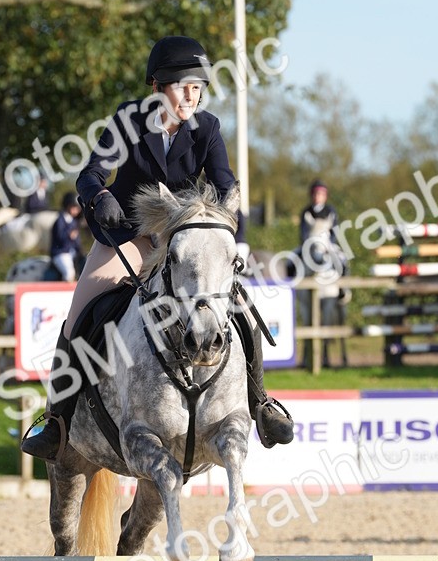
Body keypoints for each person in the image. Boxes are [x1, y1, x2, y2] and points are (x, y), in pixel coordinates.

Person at [21, 34, 294, 460]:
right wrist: (100, 197)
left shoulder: (207, 128)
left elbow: (226, 187)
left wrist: (233, 241)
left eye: (198, 88)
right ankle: (56, 419)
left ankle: (261, 403)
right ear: (157, 87)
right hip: (127, 237)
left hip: (179, 244)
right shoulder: (128, 120)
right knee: (79, 314)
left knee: (239, 308)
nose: (192, 95)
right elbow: (90, 173)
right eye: (183, 86)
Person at [50, 192, 85, 282]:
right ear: (68, 206)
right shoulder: (60, 220)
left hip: (71, 252)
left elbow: (77, 241)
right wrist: (69, 236)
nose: (77, 210)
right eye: (75, 207)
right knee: (69, 273)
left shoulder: (74, 221)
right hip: (60, 253)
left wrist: (81, 252)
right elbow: (59, 238)